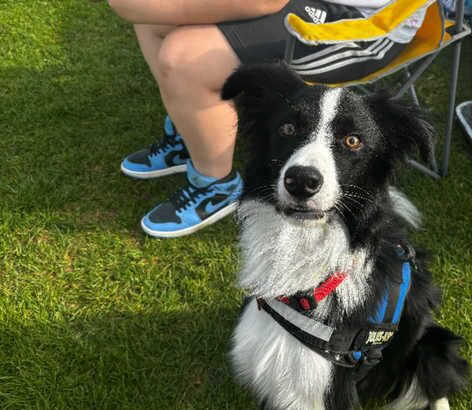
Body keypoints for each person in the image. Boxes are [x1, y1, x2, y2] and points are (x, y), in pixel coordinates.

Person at [108, 0, 425, 237]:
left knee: (184, 56)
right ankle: (190, 133)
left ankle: (215, 183)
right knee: (153, 19)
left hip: (371, 20)